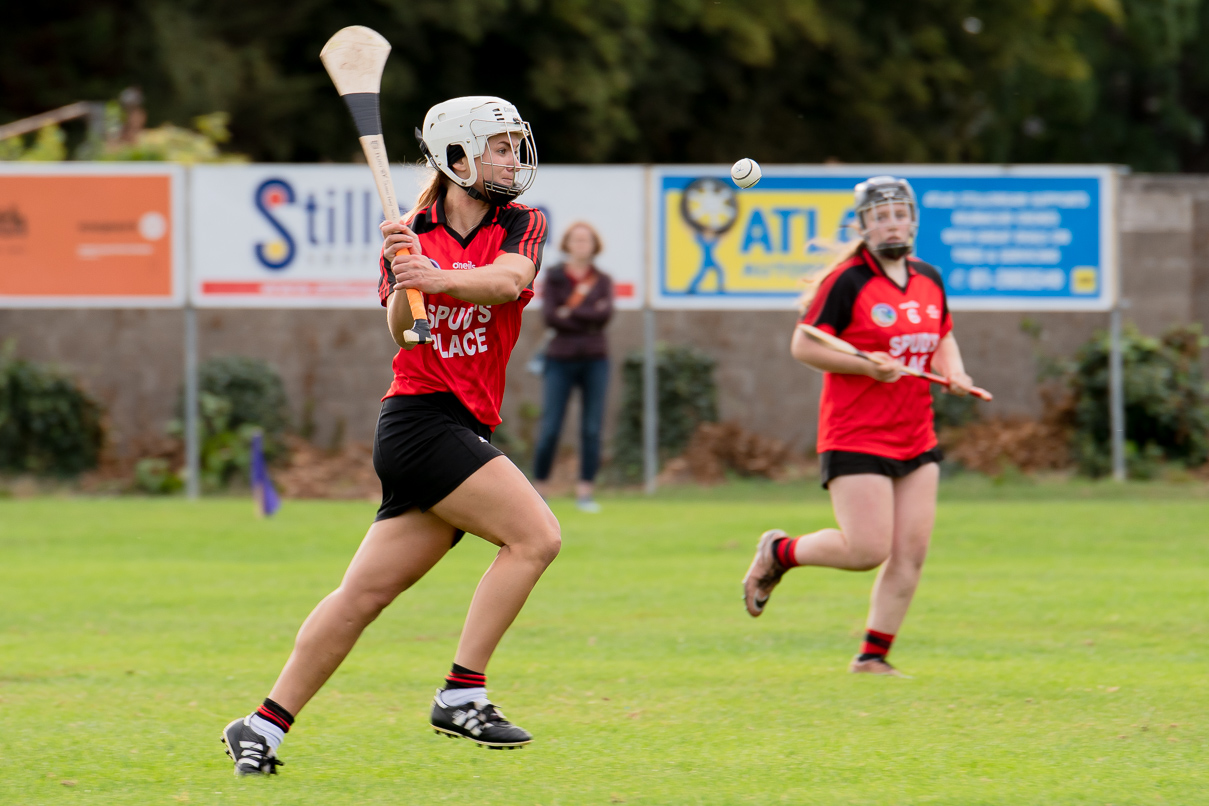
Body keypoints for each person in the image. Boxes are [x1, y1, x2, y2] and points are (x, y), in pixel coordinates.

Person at [222, 96, 560, 776]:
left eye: (510, 145)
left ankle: (261, 725)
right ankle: (463, 693)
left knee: (362, 597)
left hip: (463, 426)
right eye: (495, 147)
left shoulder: (522, 223)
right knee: (535, 538)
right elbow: (407, 334)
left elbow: (509, 282)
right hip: (419, 421)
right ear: (455, 158)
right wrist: (408, 286)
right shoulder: (405, 237)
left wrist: (435, 277)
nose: (510, 159)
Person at [741, 176, 977, 677]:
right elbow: (804, 346)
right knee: (868, 549)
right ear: (864, 224)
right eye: (881, 215)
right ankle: (779, 552)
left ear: (912, 219)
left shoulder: (929, 277)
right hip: (856, 433)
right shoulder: (847, 281)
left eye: (899, 213)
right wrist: (867, 367)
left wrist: (954, 371)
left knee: (911, 552)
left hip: (916, 433)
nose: (892, 222)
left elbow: (943, 335)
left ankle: (872, 656)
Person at [532, 222, 614, 512]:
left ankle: (585, 493)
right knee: (551, 427)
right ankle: (540, 490)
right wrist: (587, 314)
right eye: (576, 240)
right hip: (560, 359)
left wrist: (572, 312)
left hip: (595, 359)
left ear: (594, 245)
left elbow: (605, 316)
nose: (581, 245)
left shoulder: (602, 280)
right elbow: (552, 317)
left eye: (586, 240)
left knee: (591, 428)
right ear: (567, 244)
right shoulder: (554, 277)